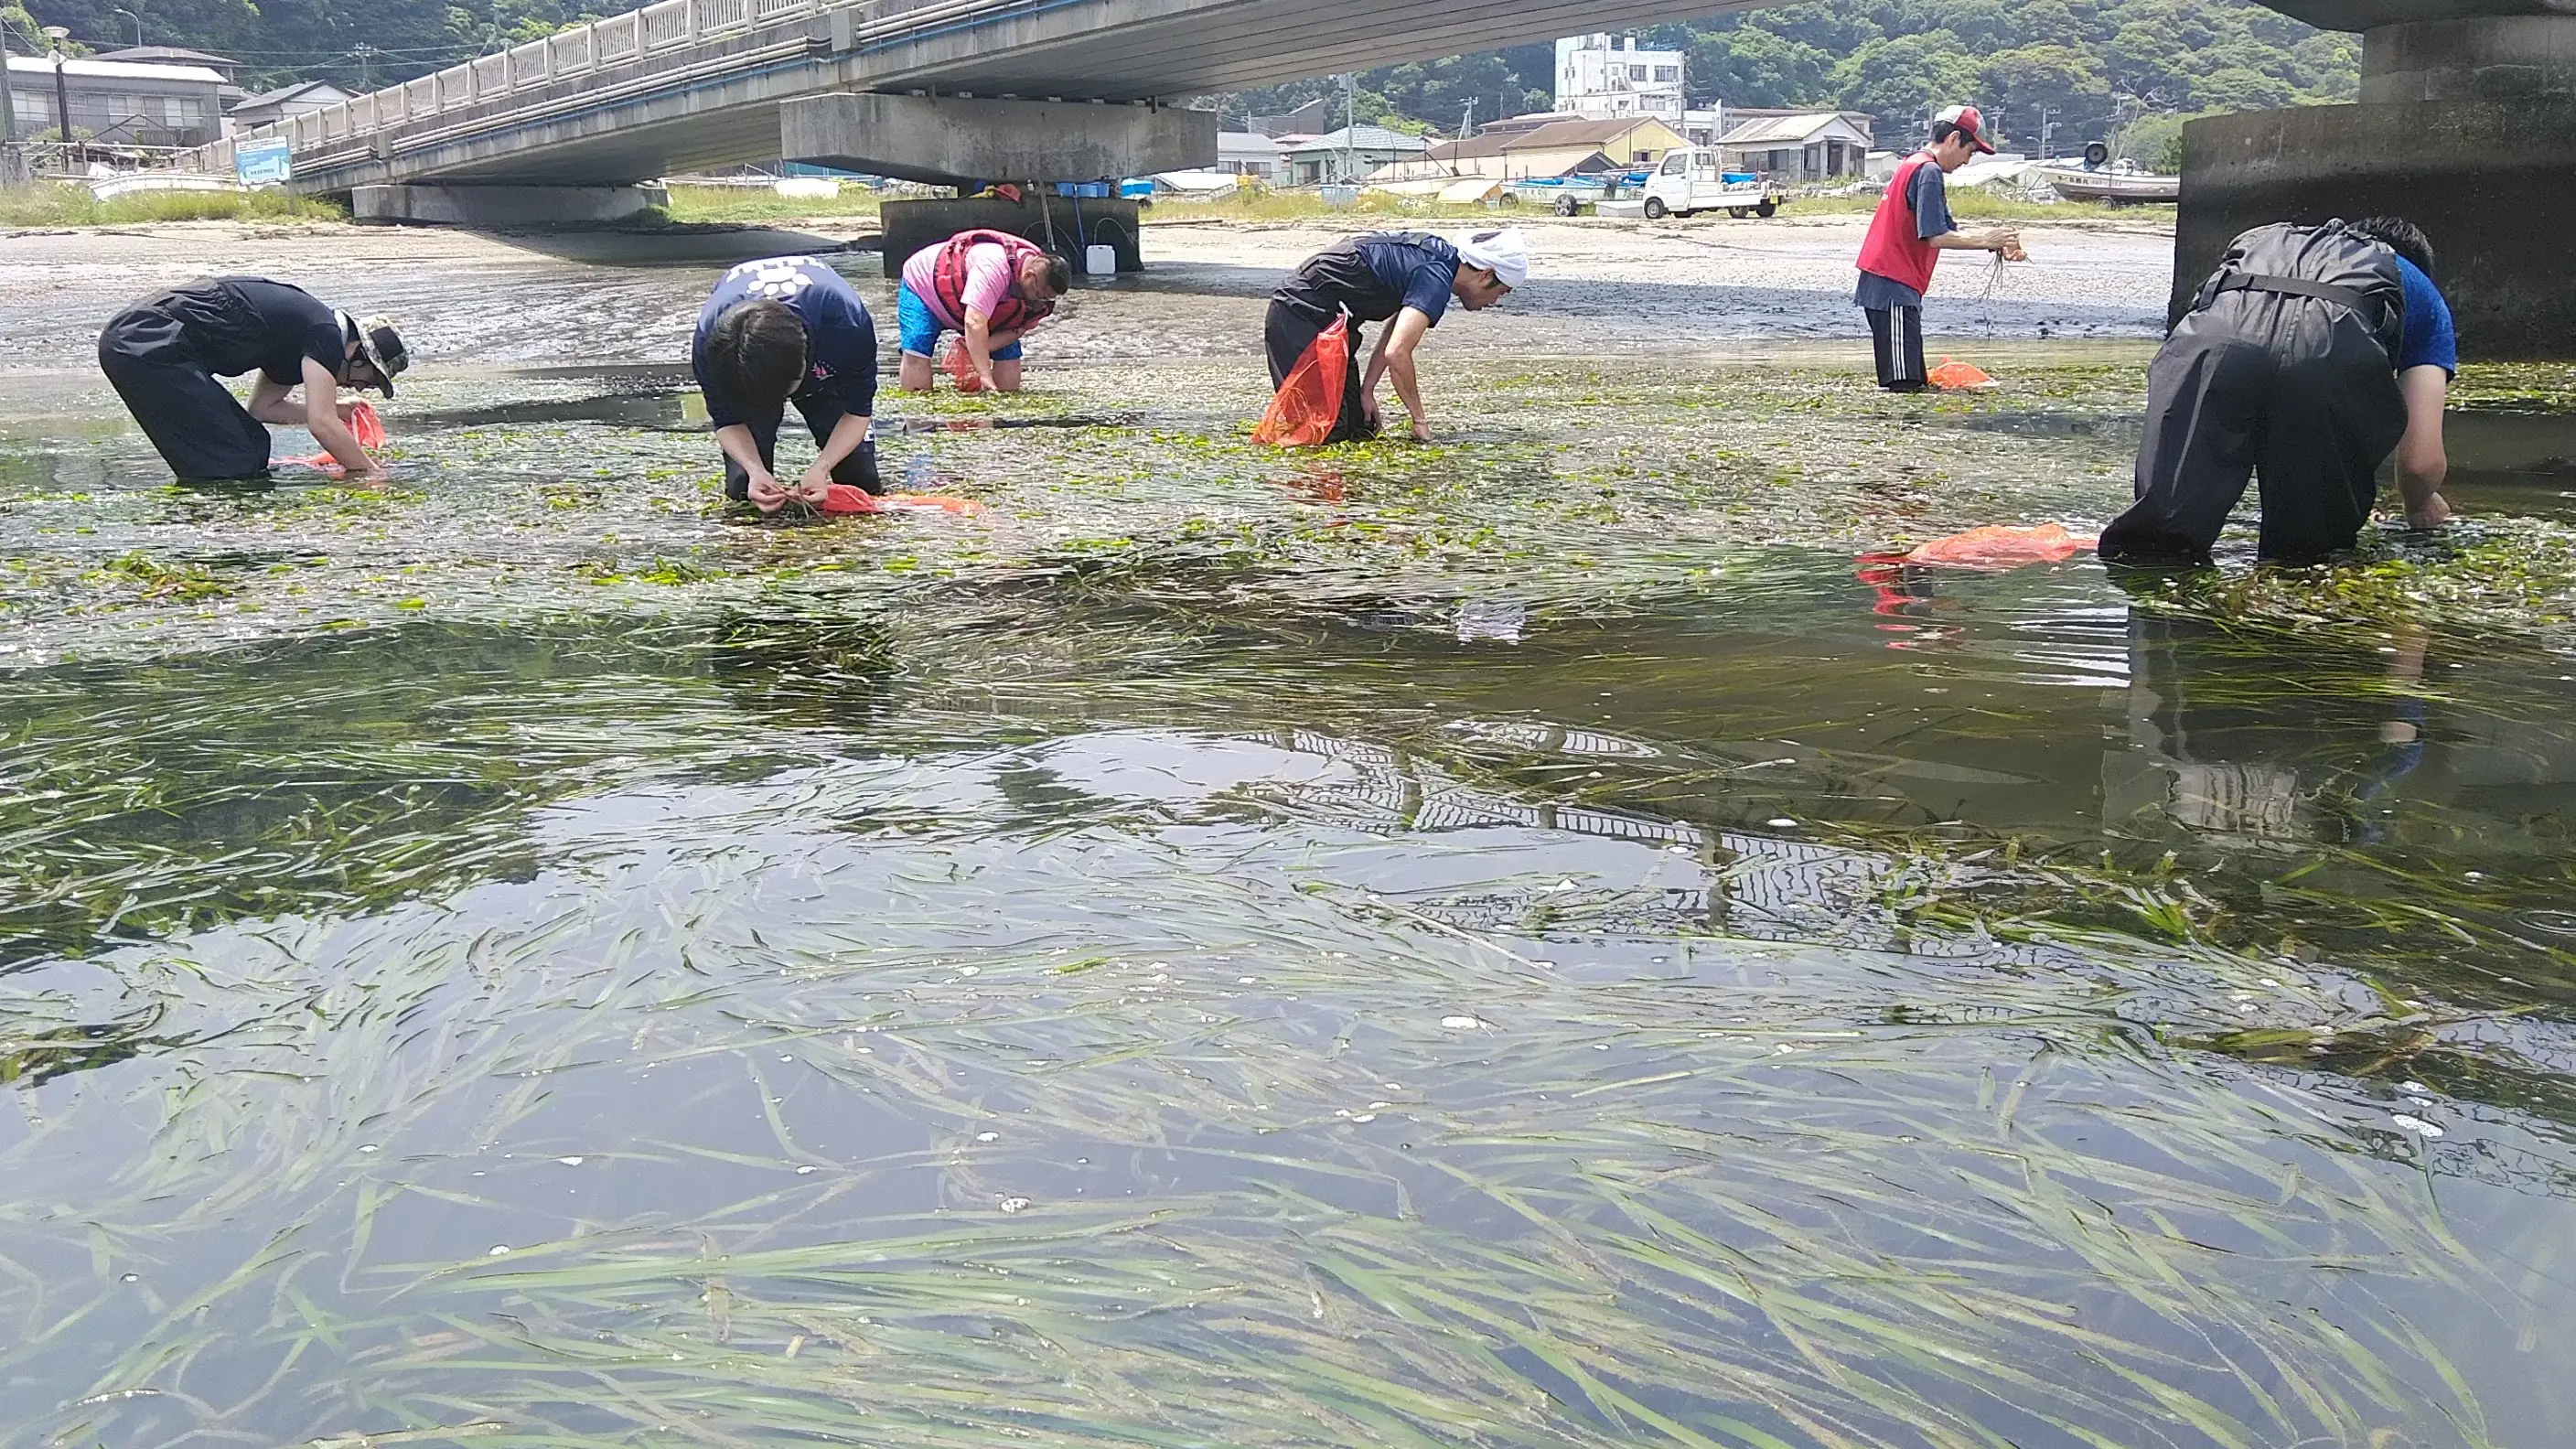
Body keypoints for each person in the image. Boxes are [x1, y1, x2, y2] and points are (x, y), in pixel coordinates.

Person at [2098, 216, 2456, 564]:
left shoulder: (2273, 247)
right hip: (2325, 353)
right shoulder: (2418, 288)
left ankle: (2155, 610)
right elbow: (2419, 464)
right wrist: (2420, 504)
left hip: (2214, 339)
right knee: (2305, 559)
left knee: (2156, 543)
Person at [97, 277, 405, 480]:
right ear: (356, 351)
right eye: (367, 380)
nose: (359, 387)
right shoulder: (325, 334)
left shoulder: (301, 340)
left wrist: (339, 409)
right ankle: (211, 536)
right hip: (144, 340)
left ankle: (214, 521)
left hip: (144, 344)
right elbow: (321, 425)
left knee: (253, 445)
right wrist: (370, 474)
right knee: (232, 459)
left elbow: (263, 408)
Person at [1263, 227, 1527, 443]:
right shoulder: (1436, 277)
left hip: (1329, 323)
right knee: (1325, 429)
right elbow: (1397, 353)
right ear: (1486, 275)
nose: (1493, 302)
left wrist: (1367, 390)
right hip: (1297, 314)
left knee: (1360, 426)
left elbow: (1395, 333)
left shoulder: (1438, 259)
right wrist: (1419, 421)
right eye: (1500, 292)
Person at [1853, 104, 2025, 392]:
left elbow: (1948, 228)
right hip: (1892, 284)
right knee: (1904, 385)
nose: (1967, 161)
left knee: (1912, 381)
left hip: (1891, 284)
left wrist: (1999, 241)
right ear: (1954, 138)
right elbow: (1934, 235)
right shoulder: (1928, 170)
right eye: (1970, 151)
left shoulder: (1916, 163)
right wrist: (1987, 240)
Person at [692, 255, 881, 514]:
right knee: (744, 490)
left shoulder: (847, 322)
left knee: (861, 482)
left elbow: (858, 411)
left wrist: (821, 468)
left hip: (824, 354)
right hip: (753, 370)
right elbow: (727, 420)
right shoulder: (713, 345)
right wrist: (755, 469)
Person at [895, 230, 1069, 393]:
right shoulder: (993, 267)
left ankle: (1005, 421)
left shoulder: (1040, 300)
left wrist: (971, 349)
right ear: (1029, 276)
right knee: (918, 347)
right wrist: (984, 375)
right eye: (1039, 294)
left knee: (1009, 356)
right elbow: (974, 321)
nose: (1040, 302)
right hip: (925, 287)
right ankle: (918, 425)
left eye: (1048, 298)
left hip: (982, 308)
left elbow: (1018, 329)